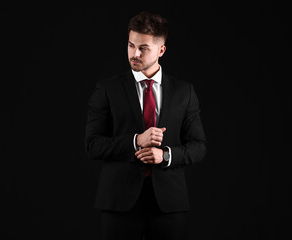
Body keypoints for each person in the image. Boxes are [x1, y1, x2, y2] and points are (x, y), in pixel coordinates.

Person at [85, 11, 206, 240]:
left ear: (161, 50)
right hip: (119, 203)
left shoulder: (184, 92)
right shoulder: (107, 89)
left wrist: (166, 156)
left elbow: (199, 146)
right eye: (131, 45)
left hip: (169, 204)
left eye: (143, 48)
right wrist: (135, 141)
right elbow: (92, 145)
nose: (134, 53)